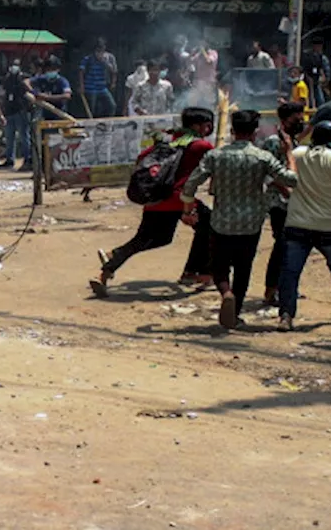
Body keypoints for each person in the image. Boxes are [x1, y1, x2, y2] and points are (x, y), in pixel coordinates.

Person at [181, 109, 298, 329]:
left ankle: (225, 292)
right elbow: (291, 180)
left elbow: (191, 185)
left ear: (233, 131)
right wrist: (289, 154)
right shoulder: (263, 157)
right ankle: (234, 313)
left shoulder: (216, 156)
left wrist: (188, 209)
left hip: (221, 221)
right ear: (254, 133)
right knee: (243, 269)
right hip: (251, 223)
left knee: (219, 266)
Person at [92, 108, 216, 298]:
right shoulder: (201, 146)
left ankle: (108, 266)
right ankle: (197, 273)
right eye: (207, 126)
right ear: (198, 126)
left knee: (152, 238)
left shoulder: (166, 140)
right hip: (179, 199)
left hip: (156, 197)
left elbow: (142, 159)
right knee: (209, 224)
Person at [276, 121, 331, 330]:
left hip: (296, 222)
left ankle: (286, 315)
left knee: (290, 272)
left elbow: (284, 178)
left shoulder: (297, 153)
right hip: (328, 224)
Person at [260, 103, 306, 306]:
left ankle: (285, 287)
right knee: (282, 246)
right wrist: (287, 192)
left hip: (292, 202)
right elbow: (270, 173)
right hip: (278, 202)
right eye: (297, 119)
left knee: (290, 247)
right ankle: (271, 290)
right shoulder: (273, 142)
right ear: (285, 120)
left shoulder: (293, 141)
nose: (301, 122)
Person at [0, 59, 33, 170]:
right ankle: (9, 160)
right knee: (9, 138)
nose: (14, 67)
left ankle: (27, 159)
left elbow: (29, 92)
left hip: (21, 111)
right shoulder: (7, 79)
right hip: (9, 111)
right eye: (12, 65)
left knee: (24, 137)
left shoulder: (24, 78)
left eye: (16, 65)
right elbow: (4, 94)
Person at [78, 38, 118, 118]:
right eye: (98, 51)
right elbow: (81, 72)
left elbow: (114, 71)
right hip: (90, 87)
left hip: (102, 87)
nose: (100, 53)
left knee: (112, 106)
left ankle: (107, 123)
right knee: (91, 109)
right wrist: (81, 85)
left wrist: (105, 62)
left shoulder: (109, 58)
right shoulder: (88, 59)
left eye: (102, 50)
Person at [189, 40, 219, 107]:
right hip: (197, 81)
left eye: (203, 44)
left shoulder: (213, 53)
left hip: (208, 82)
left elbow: (208, 61)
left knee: (209, 102)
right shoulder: (199, 54)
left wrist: (203, 51)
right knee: (192, 101)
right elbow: (191, 61)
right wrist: (192, 52)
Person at [303, 38, 331, 107]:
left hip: (319, 82)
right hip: (309, 81)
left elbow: (326, 71)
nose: (318, 47)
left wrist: (325, 80)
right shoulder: (307, 56)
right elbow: (305, 68)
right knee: (310, 100)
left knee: (321, 100)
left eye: (319, 45)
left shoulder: (323, 58)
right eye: (316, 45)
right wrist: (308, 77)